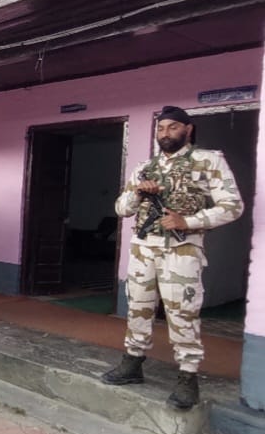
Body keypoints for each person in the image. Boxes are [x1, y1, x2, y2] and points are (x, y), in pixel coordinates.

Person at [101, 105, 243, 411]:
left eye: (173, 127)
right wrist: (138, 193)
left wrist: (188, 221)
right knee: (138, 307)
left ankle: (188, 377)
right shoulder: (144, 167)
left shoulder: (209, 160)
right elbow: (121, 208)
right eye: (161, 128)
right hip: (143, 248)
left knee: (183, 312)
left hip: (182, 250)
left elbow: (233, 206)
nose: (165, 134)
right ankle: (132, 363)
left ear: (187, 129)